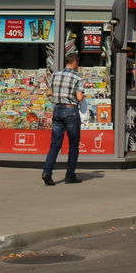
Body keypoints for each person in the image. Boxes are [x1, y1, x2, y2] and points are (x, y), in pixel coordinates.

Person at [42, 53, 85, 186]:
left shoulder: (55, 74)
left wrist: (60, 93)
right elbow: (79, 97)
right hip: (70, 111)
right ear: (75, 63)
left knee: (55, 144)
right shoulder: (77, 77)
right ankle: (70, 175)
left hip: (57, 109)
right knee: (73, 145)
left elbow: (49, 92)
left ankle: (47, 172)